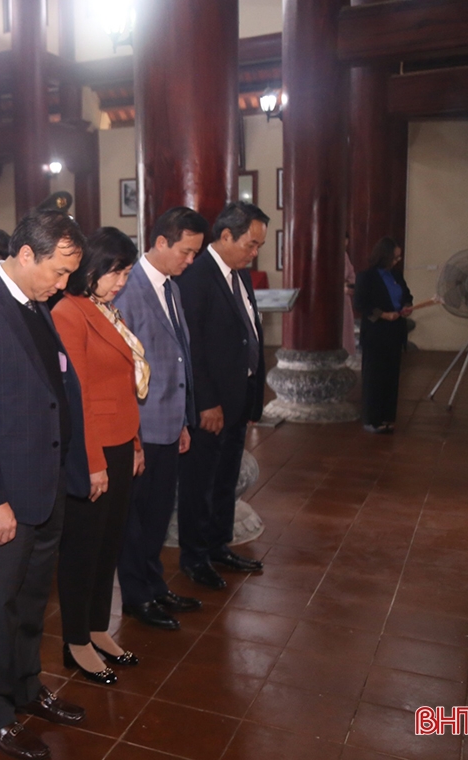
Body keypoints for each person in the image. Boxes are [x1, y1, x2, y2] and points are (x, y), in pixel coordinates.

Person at [0, 208, 89, 760]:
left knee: (33, 599)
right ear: (25, 254)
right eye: (58, 272)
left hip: (45, 482)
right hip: (7, 494)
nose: (63, 285)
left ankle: (28, 687)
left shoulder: (35, 304)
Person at [51, 227, 146, 685]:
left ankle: (96, 627)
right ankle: (75, 641)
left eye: (126, 273)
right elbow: (79, 395)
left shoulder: (106, 309)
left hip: (120, 437)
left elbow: (124, 383)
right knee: (82, 549)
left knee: (109, 542)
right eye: (115, 271)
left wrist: (134, 442)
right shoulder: (70, 312)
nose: (121, 282)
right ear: (91, 268)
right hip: (93, 446)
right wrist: (91, 461)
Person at [112, 207, 207, 631]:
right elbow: (122, 369)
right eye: (186, 252)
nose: (190, 261)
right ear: (161, 242)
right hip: (141, 426)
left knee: (157, 515)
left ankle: (154, 584)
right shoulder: (128, 289)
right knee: (138, 518)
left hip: (169, 422)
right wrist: (131, 436)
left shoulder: (171, 287)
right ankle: (136, 595)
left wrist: (184, 420)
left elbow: (177, 357)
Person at [176, 202, 269, 591]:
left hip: (238, 396)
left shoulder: (238, 275)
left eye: (259, 245)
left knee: (226, 477)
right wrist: (206, 402)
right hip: (211, 404)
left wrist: (252, 395)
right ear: (226, 235)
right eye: (251, 243)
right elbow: (192, 345)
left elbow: (248, 334)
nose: (255, 252)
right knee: (201, 481)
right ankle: (195, 557)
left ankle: (218, 544)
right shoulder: (197, 276)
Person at [354, 236, 413, 433]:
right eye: (394, 257)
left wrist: (406, 306)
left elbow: (407, 295)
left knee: (391, 377)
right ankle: (373, 419)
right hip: (376, 334)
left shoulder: (396, 276)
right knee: (374, 377)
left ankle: (388, 417)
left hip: (394, 333)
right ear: (384, 256)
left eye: (399, 258)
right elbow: (361, 303)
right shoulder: (366, 276)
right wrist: (383, 314)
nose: (397, 261)